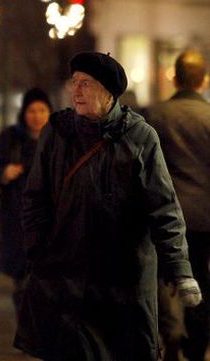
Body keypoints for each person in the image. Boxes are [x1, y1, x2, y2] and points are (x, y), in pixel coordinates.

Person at [14, 51, 202, 361]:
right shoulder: (57, 133)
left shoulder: (140, 137)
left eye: (85, 84)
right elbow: (35, 197)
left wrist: (180, 270)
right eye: (74, 83)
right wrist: (37, 249)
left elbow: (164, 209)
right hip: (67, 275)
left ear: (108, 92)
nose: (76, 91)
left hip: (122, 280)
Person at [146, 49, 210, 361]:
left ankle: (169, 333)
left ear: (174, 78)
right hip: (203, 217)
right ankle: (196, 345)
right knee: (199, 277)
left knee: (160, 278)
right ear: (204, 80)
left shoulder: (154, 116)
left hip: (162, 215)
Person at [0, 87, 52, 320]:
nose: (37, 116)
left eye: (42, 110)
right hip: (17, 216)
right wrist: (5, 171)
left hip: (50, 217)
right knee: (22, 276)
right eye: (32, 110)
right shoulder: (11, 137)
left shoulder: (57, 138)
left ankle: (39, 328)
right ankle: (28, 327)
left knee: (46, 275)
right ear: (24, 113)